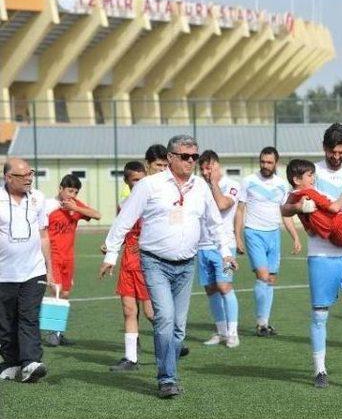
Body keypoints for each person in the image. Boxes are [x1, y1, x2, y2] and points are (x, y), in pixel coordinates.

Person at [99, 135, 236, 398]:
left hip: (186, 264)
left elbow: (214, 222)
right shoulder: (149, 185)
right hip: (154, 262)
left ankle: (168, 371)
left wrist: (226, 251)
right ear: (171, 158)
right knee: (164, 320)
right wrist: (111, 255)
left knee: (178, 328)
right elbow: (124, 220)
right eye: (185, 156)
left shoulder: (200, 187)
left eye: (194, 157)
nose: (191, 161)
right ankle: (167, 379)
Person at [281, 123, 342, 389]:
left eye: (341, 151)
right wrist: (300, 205)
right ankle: (320, 370)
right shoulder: (308, 174)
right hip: (322, 256)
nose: (336, 157)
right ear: (324, 147)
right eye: (331, 151)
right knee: (320, 314)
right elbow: (285, 207)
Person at [234, 146, 301, 337]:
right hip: (254, 233)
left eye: (269, 162)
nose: (265, 165)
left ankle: (264, 323)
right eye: (262, 161)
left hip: (274, 235)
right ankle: (261, 324)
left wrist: (295, 236)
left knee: (271, 279)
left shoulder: (281, 185)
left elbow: (285, 214)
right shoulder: (248, 181)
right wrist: (237, 236)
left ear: (276, 163)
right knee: (263, 276)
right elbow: (240, 210)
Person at [0, 158, 52, 382]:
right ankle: (11, 363)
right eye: (24, 175)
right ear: (8, 177)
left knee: (29, 317)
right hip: (3, 273)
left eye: (31, 173)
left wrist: (50, 268)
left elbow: (44, 235)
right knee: (5, 321)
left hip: (34, 270)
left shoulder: (38, 198)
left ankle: (31, 362)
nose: (30, 178)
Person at [107, 161, 154, 372]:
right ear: (127, 181)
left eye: (142, 179)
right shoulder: (124, 203)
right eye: (135, 180)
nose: (139, 183)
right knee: (128, 310)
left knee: (151, 313)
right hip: (128, 263)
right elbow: (121, 229)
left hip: (146, 263)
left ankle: (172, 342)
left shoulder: (153, 202)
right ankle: (130, 359)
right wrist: (110, 247)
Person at [44, 174, 101, 346]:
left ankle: (58, 333)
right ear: (60, 189)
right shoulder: (48, 206)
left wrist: (75, 208)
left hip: (68, 257)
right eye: (69, 191)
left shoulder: (75, 205)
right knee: (56, 291)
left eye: (75, 192)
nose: (72, 195)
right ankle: (52, 333)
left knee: (65, 294)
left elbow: (97, 215)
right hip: (52, 256)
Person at [198, 150, 240, 348]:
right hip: (202, 245)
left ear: (217, 165)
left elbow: (223, 205)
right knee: (211, 289)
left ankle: (233, 333)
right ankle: (221, 331)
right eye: (203, 168)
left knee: (225, 286)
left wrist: (213, 182)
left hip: (225, 246)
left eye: (209, 167)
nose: (206, 172)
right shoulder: (197, 187)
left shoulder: (232, 185)